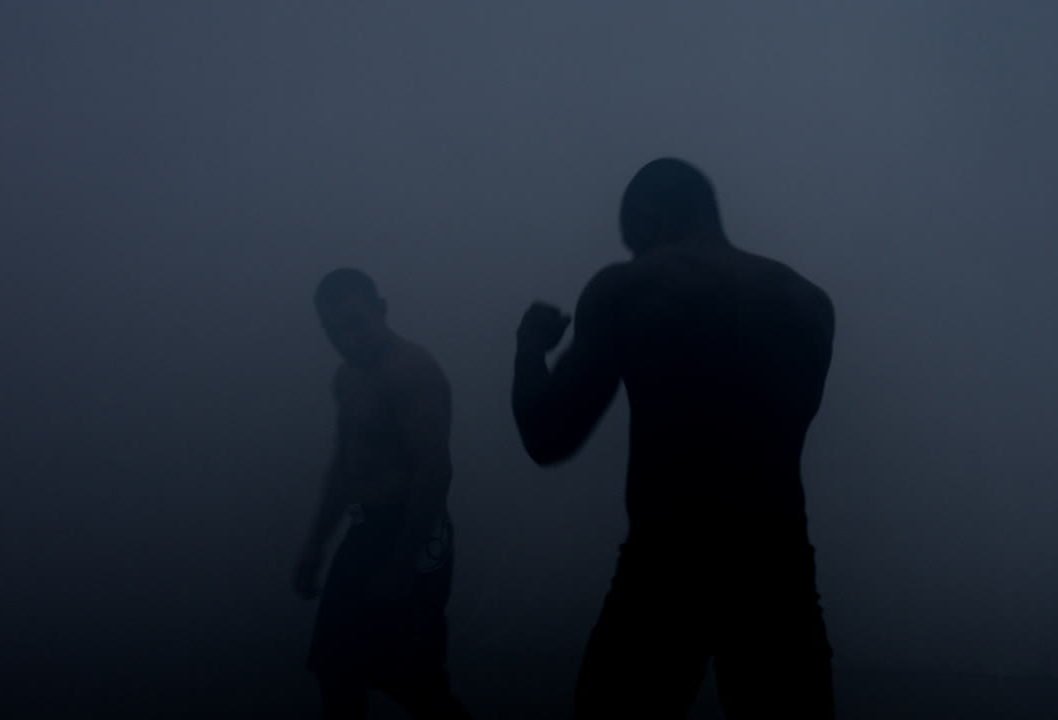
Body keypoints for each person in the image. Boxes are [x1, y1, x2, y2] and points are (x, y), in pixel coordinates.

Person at [512, 158, 837, 718]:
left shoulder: (630, 285)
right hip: (778, 565)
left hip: (666, 563)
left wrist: (527, 350)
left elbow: (548, 436)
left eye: (632, 237)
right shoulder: (808, 302)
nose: (634, 250)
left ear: (647, 216)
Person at [294, 268, 469, 719]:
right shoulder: (348, 379)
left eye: (355, 324)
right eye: (333, 330)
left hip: (414, 532)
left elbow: (434, 471)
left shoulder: (412, 371)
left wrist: (402, 566)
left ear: (381, 310)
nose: (347, 339)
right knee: (336, 668)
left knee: (415, 680)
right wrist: (315, 543)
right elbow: (344, 464)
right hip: (368, 530)